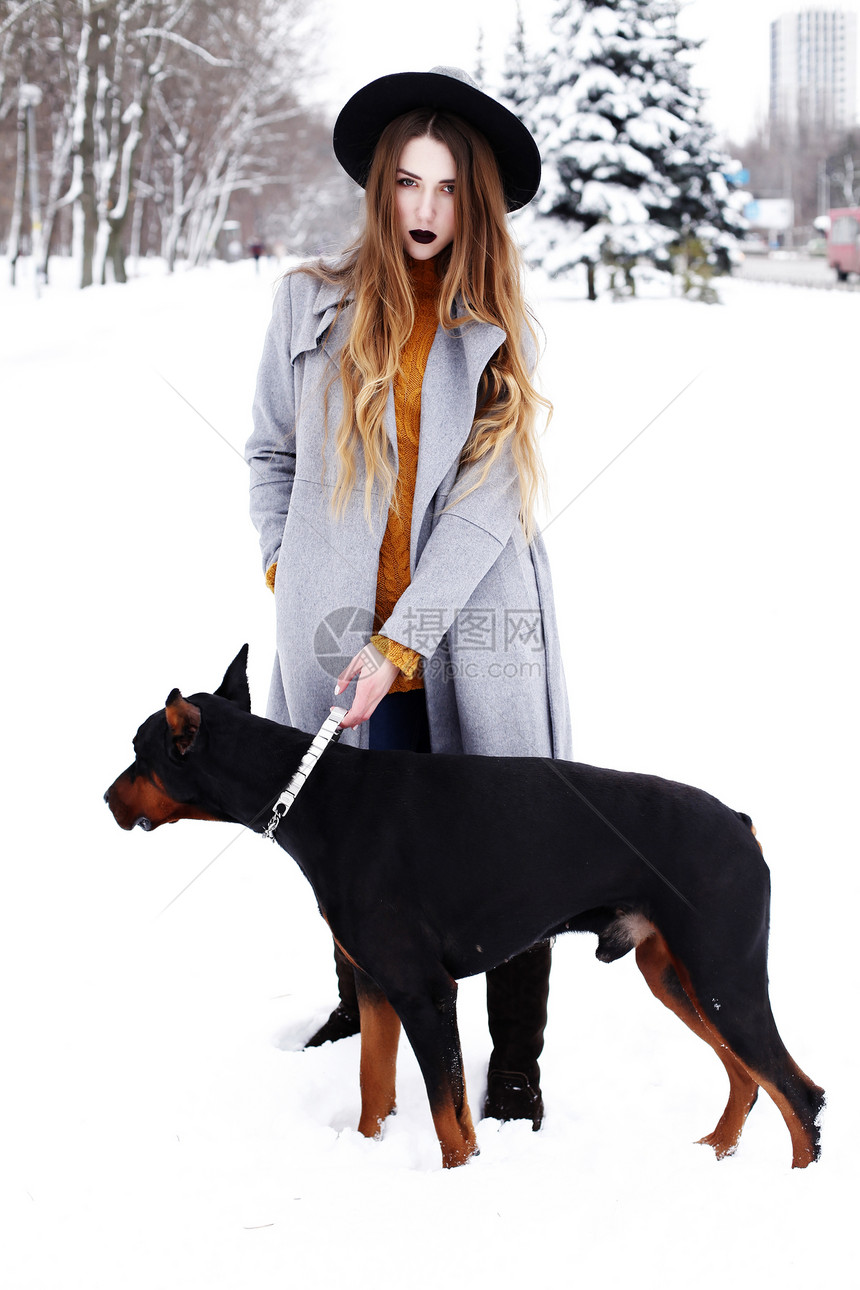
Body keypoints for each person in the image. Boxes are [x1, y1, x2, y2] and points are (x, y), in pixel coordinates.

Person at [245, 66, 571, 1128]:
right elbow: (268, 453)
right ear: (378, 190)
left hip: (471, 623)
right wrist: (283, 568)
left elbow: (487, 509)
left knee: (509, 833)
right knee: (352, 835)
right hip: (340, 632)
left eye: (446, 190)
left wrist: (401, 643)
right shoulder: (307, 301)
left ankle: (513, 1058)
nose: (424, 210)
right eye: (406, 184)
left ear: (471, 203)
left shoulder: (494, 325)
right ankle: (364, 1007)